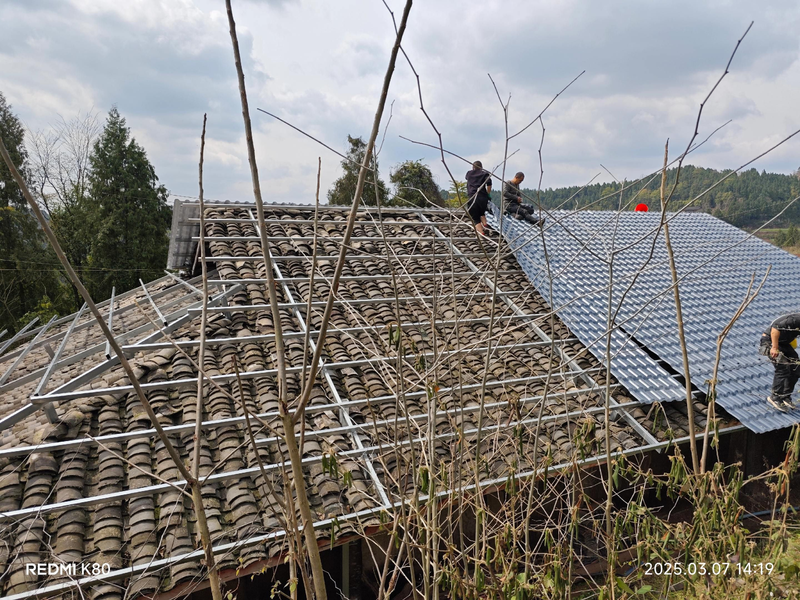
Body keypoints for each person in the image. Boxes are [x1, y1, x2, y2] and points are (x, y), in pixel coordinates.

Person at [759, 313, 800, 410]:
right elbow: (775, 329)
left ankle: (785, 396)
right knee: (783, 368)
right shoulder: (795, 319)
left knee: (796, 367)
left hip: (784, 343)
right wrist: (774, 347)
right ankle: (775, 397)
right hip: (770, 340)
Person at [465, 161, 493, 235]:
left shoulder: (469, 173)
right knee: (481, 212)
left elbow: (467, 178)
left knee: (475, 218)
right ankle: (485, 224)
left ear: (473, 167)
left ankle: (482, 232)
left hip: (472, 197)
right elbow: (489, 182)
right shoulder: (484, 174)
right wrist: (488, 193)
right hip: (483, 197)